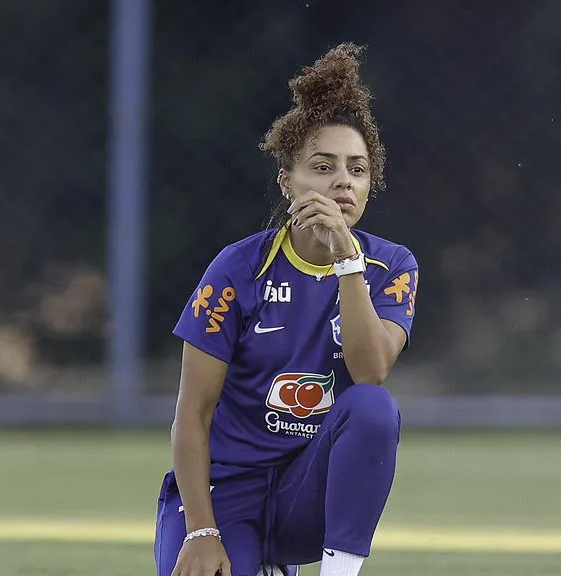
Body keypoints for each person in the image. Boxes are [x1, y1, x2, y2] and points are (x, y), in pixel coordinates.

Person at [154, 42, 420, 576]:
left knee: (373, 409)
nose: (342, 181)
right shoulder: (237, 268)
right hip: (224, 493)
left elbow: (371, 373)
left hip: (305, 495)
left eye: (357, 169)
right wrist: (203, 534)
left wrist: (349, 263)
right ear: (287, 182)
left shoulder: (391, 264)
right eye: (323, 167)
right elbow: (193, 412)